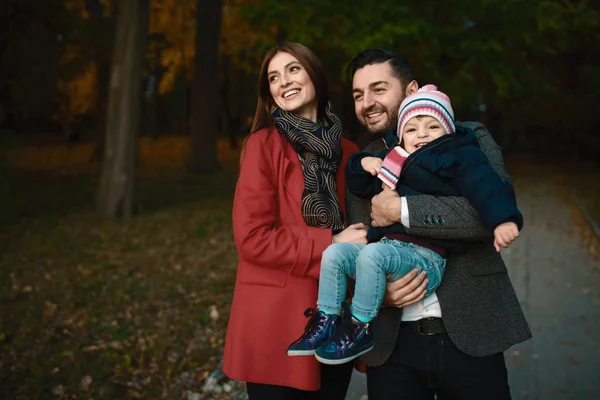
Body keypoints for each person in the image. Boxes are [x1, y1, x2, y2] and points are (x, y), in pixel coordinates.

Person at [286, 84, 523, 366]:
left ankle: (359, 327)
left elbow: (487, 188)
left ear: (447, 130)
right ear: (401, 136)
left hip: (427, 257)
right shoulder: (396, 159)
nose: (421, 134)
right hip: (392, 252)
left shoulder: (459, 155)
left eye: (432, 126)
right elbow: (359, 186)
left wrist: (503, 220)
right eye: (411, 129)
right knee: (334, 254)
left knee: (373, 255)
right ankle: (327, 319)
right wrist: (363, 164)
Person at [347, 49, 532, 399]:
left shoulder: (468, 137)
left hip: (472, 330)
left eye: (378, 89)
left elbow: (486, 215)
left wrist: (401, 210)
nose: (367, 102)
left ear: (413, 90)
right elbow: (357, 244)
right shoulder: (365, 164)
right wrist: (375, 296)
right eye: (358, 95)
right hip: (392, 345)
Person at [222, 42, 366, 399]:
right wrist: (331, 245)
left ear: (314, 74)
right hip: (278, 324)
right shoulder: (262, 146)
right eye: (273, 77)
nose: (283, 81)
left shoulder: (350, 152)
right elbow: (252, 237)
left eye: (293, 69)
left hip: (336, 318)